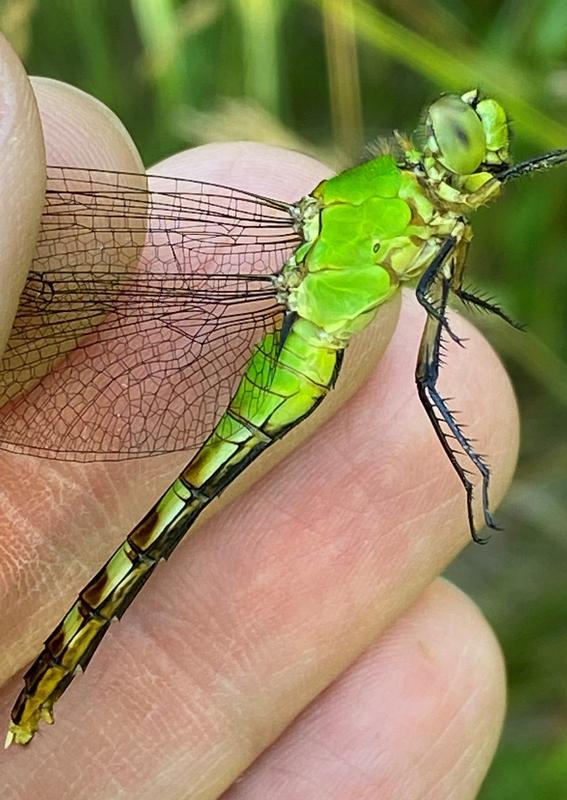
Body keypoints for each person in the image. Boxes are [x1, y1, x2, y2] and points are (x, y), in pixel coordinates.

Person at [0, 33, 514, 798]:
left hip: (305, 347)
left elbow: (442, 292)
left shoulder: (432, 214)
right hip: (290, 351)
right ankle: (44, 687)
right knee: (148, 542)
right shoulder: (397, 204)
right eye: (463, 138)